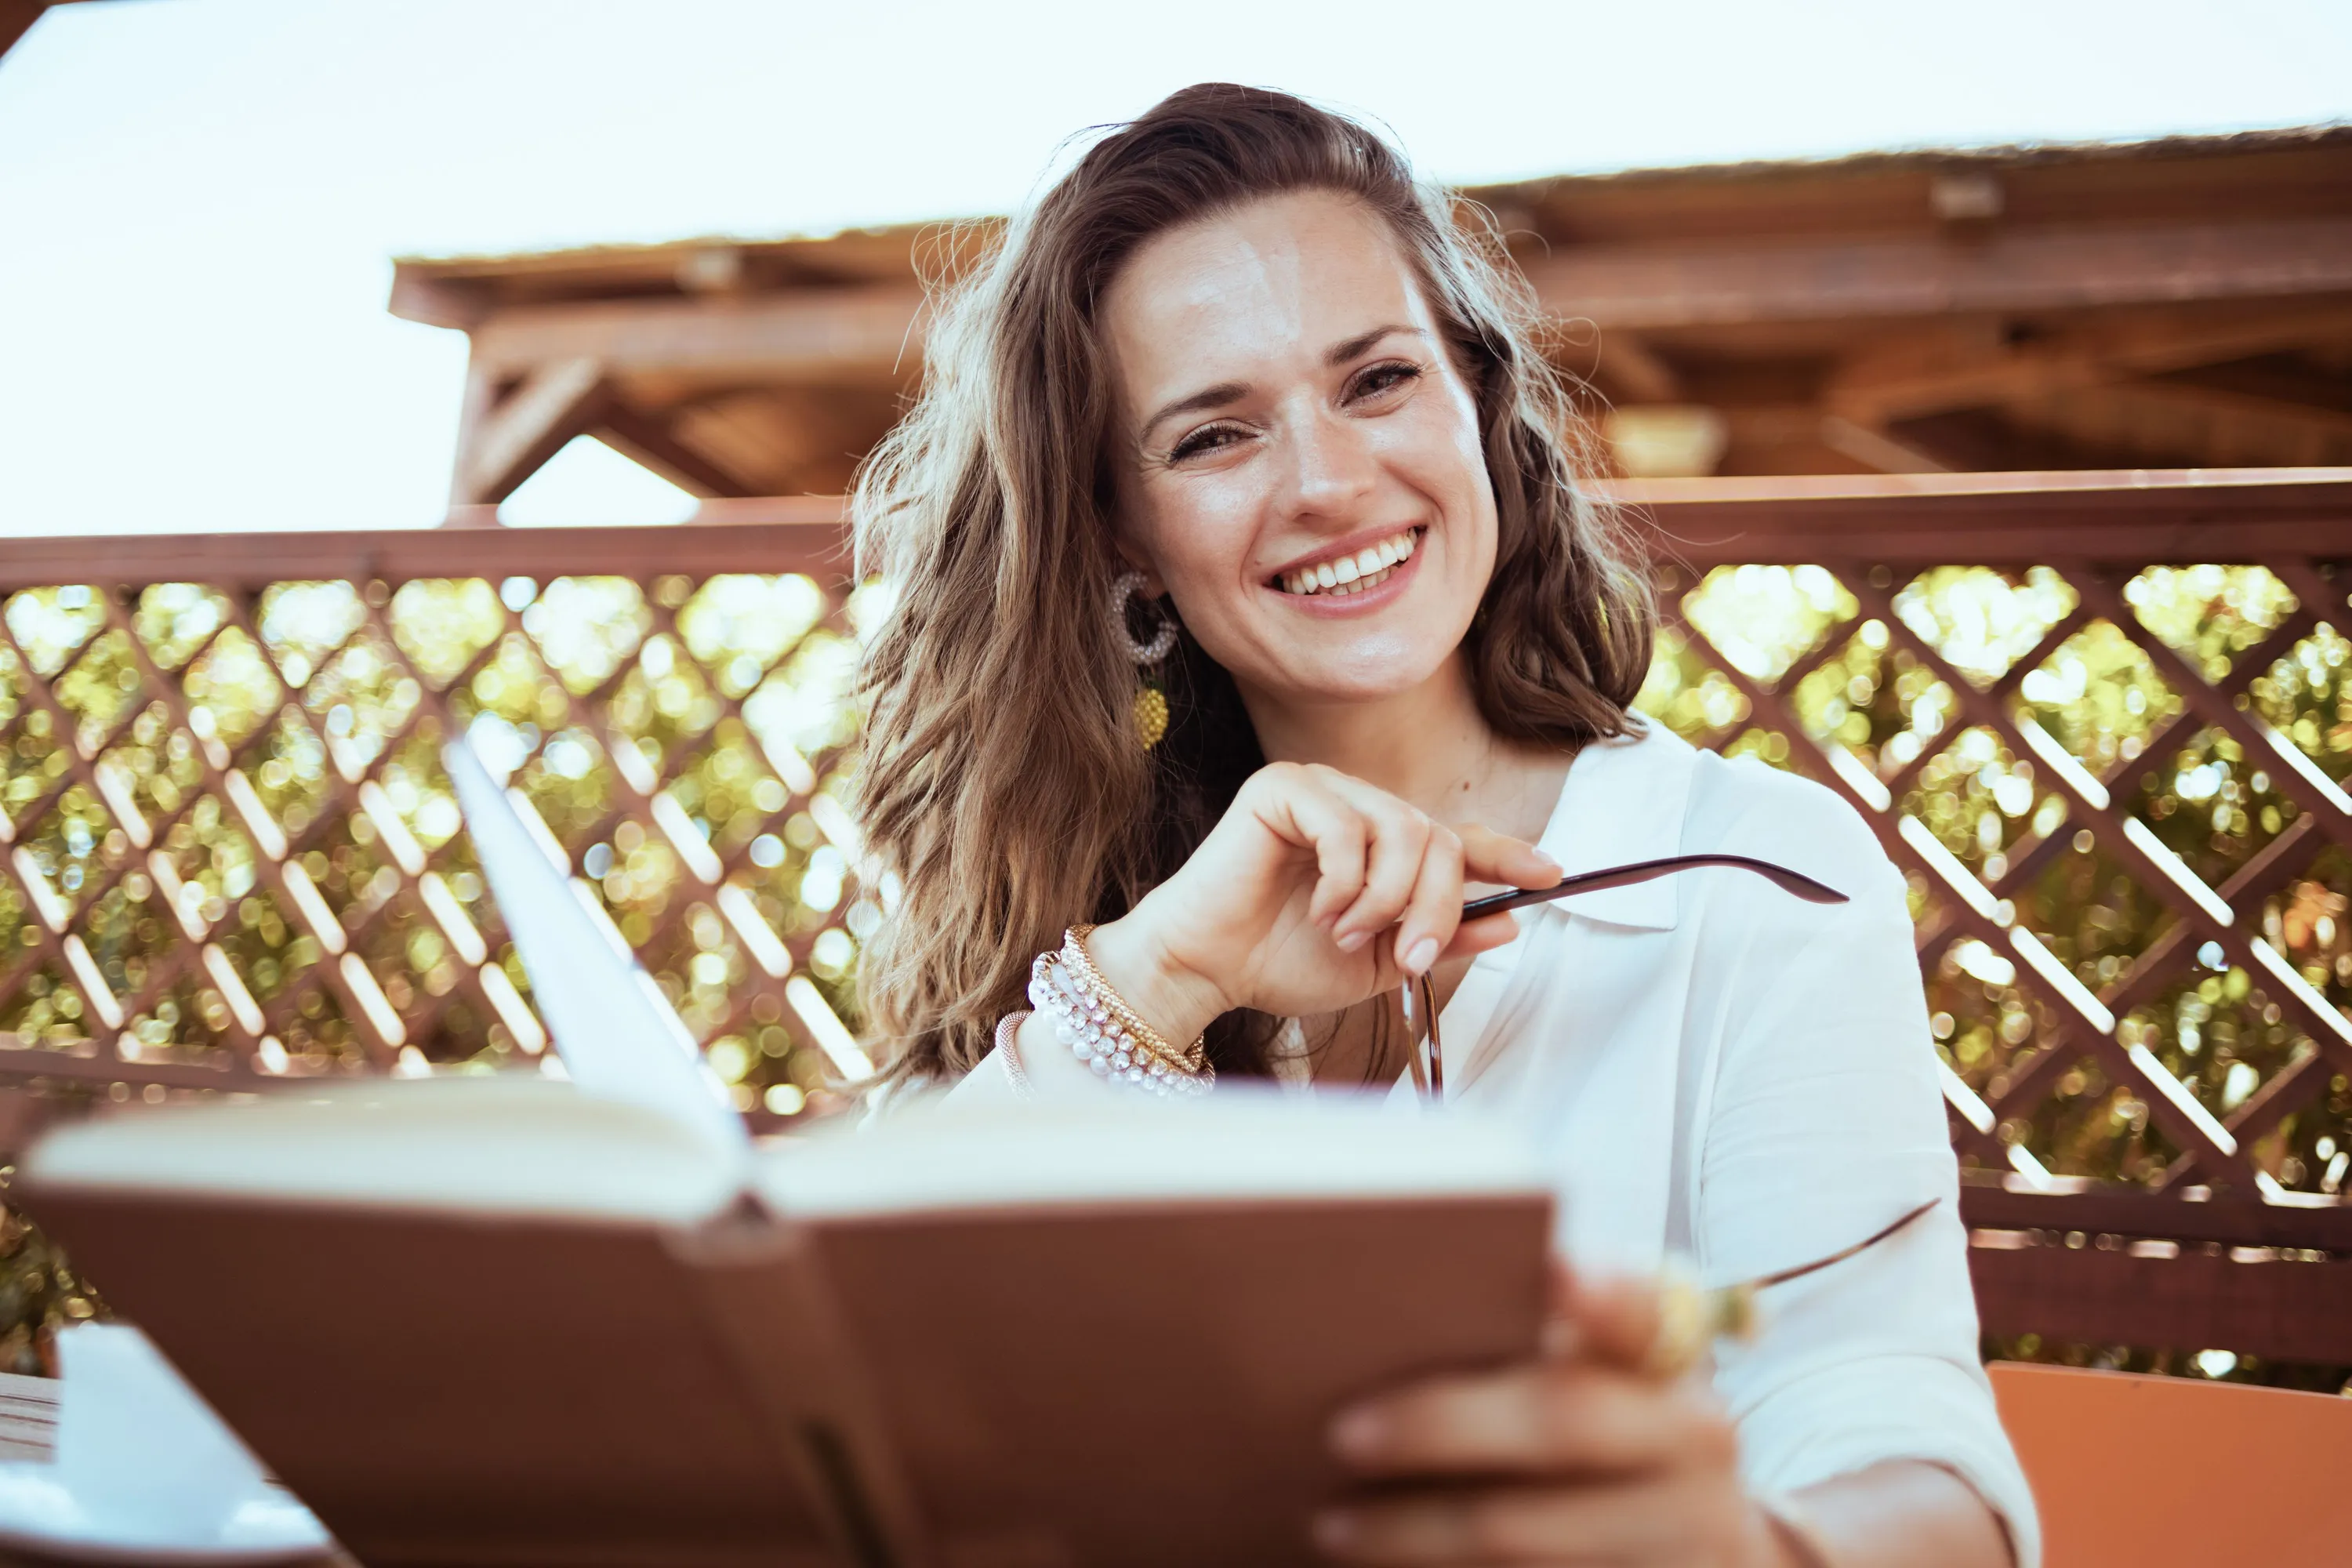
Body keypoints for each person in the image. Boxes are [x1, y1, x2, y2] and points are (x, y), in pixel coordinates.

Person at [848, 82, 2033, 1568]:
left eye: (1378, 381)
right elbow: (868, 1392)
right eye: (1214, 436)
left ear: (1479, 401)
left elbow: (1922, 1480)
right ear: (1121, 539)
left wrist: (1737, 1550)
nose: (1329, 483)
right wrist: (1152, 987)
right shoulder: (1113, 923)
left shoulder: (1756, 876)